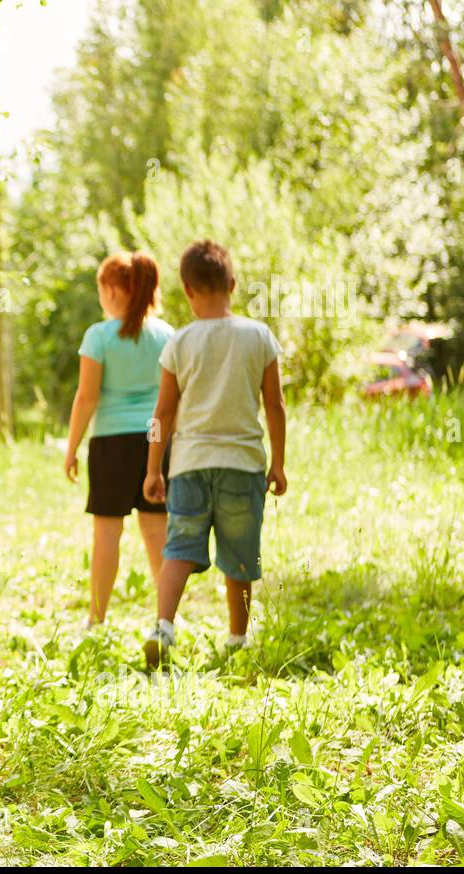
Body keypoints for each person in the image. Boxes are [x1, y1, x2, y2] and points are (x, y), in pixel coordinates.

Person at [142, 239, 288, 667]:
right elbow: (275, 405)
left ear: (187, 291)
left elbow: (162, 414)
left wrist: (154, 468)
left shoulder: (180, 343)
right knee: (240, 554)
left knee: (179, 548)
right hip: (243, 465)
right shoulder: (258, 336)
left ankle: (163, 627)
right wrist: (278, 462)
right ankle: (238, 639)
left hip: (188, 465)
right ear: (233, 284)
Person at [64, 252, 174, 625]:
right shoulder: (167, 334)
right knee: (157, 532)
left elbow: (86, 397)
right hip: (156, 440)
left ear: (111, 290)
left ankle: (97, 620)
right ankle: (165, 621)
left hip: (110, 444)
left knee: (107, 534)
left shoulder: (99, 336)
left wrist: (72, 447)